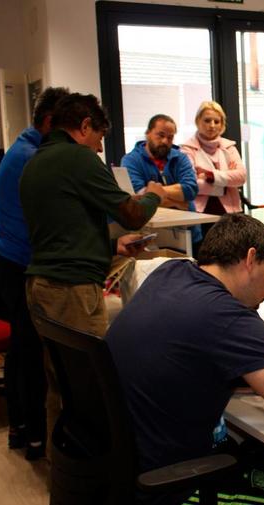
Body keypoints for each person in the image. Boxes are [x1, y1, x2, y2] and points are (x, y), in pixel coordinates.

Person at [106, 213, 264, 503]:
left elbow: (185, 357)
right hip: (171, 482)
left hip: (120, 461)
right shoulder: (228, 315)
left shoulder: (169, 273)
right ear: (250, 259)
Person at [20, 93, 166, 336]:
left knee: (60, 368)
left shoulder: (36, 161)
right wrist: (154, 195)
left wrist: (111, 246)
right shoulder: (78, 157)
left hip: (42, 284)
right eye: (100, 139)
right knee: (89, 371)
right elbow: (134, 216)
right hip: (72, 289)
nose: (99, 148)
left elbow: (62, 232)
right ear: (85, 126)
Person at [0, 86, 69, 460]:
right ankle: (36, 437)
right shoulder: (32, 158)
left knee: (21, 351)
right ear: (50, 122)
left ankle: (21, 430)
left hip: (9, 258)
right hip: (21, 264)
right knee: (32, 354)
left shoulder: (21, 148)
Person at [121, 113, 202, 245]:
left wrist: (154, 193)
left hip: (189, 232)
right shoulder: (131, 160)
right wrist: (177, 203)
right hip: (153, 235)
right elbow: (139, 197)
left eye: (170, 137)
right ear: (148, 133)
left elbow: (190, 189)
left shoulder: (180, 158)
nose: (165, 141)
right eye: (161, 135)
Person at [180, 101, 246, 230]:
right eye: (207, 120)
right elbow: (191, 184)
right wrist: (225, 185)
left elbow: (241, 177)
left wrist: (210, 176)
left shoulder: (229, 147)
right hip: (199, 215)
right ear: (198, 121)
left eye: (217, 121)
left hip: (229, 215)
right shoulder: (187, 149)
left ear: (222, 124)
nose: (212, 125)